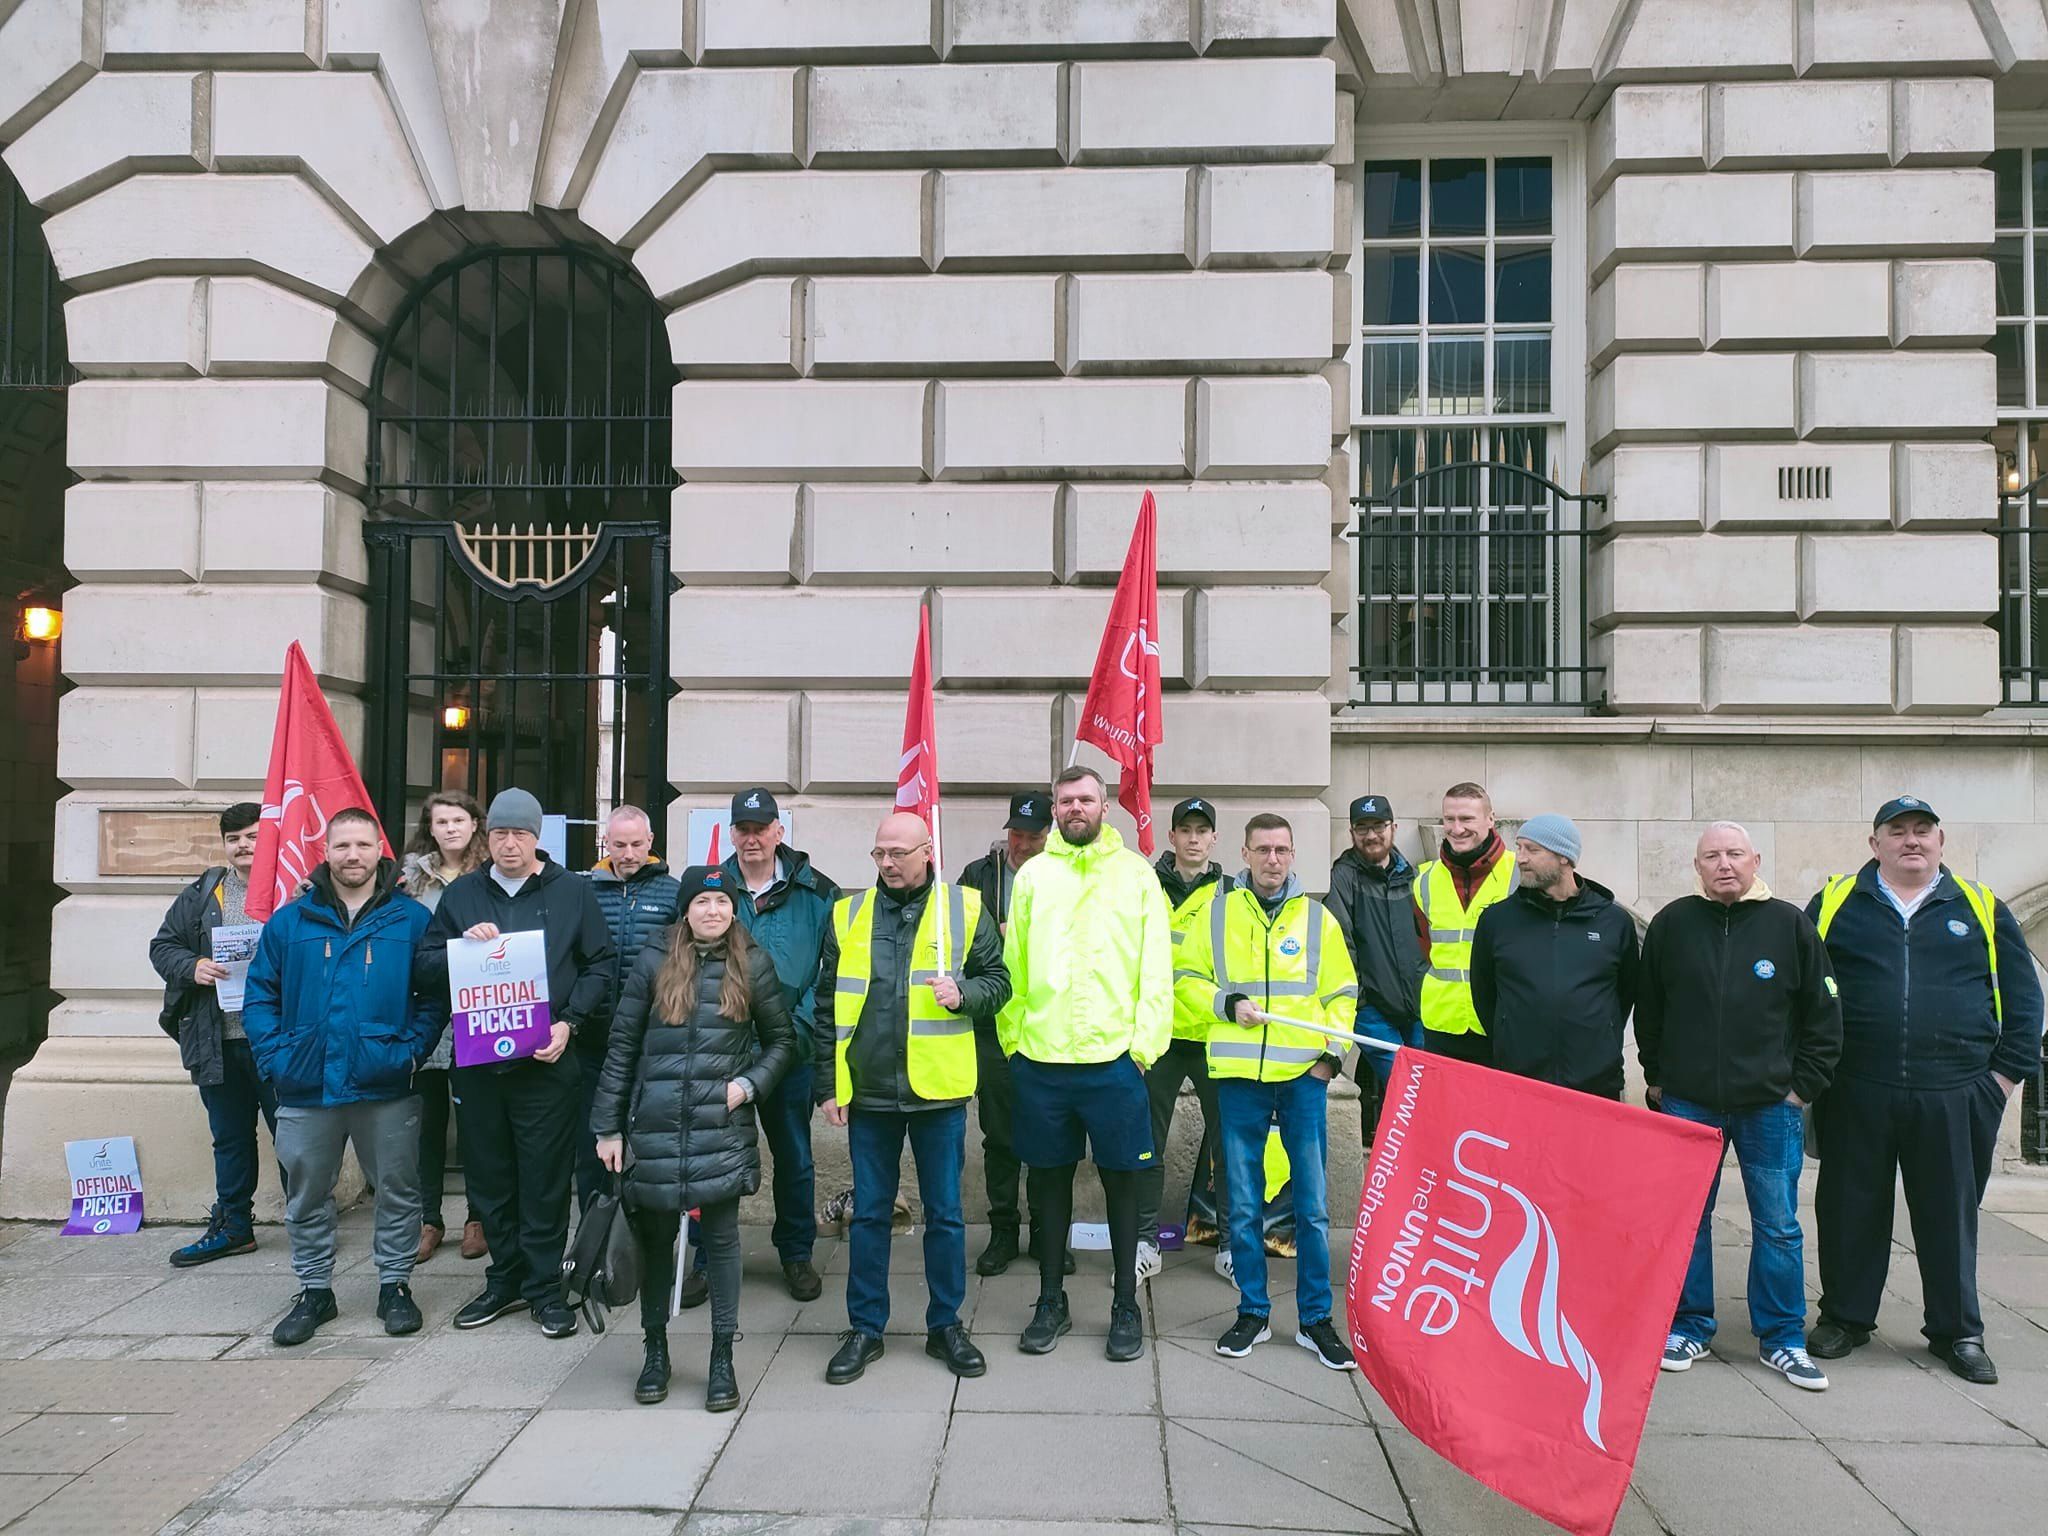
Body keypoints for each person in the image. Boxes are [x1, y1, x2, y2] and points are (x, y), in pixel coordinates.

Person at [1804, 796, 2045, 1386]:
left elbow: (2023, 999)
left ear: (1941, 841)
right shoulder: (1834, 905)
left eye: (1923, 831)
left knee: (1949, 1215)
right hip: (1857, 1088)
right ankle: (1845, 1317)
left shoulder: (1981, 907)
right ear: (1875, 844)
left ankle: (1957, 1331)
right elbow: (1802, 990)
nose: (1911, 840)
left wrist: (2001, 1080)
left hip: (1956, 1091)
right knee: (1849, 1209)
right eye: (1898, 831)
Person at [1638, 821, 1841, 1391]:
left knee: (1777, 1224)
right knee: (1685, 1219)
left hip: (1770, 1105)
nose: (1723, 864)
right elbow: (1648, 1008)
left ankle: (1782, 1339)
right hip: (1688, 1101)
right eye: (1711, 856)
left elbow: (1824, 1016)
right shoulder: (1673, 924)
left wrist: (1802, 1087)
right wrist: (1657, 1077)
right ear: (1697, 867)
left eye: (1734, 854)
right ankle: (1688, 1325)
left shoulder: (1790, 926)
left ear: (1755, 860)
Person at [592, 865, 798, 1411]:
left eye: (722, 901)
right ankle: (655, 1351)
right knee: (658, 1245)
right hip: (654, 1127)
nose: (713, 910)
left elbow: (782, 1041)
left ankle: (721, 1358)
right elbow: (621, 1047)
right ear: (686, 909)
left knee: (724, 1244)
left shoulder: (752, 964)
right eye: (702, 901)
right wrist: (607, 1126)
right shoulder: (655, 960)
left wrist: (748, 1085)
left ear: (734, 910)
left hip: (718, 1126)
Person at [815, 811, 1011, 1385]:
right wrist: (827, 1084)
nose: (887, 863)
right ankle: (865, 1329)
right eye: (879, 854)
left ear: (928, 852)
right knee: (870, 1215)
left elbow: (999, 983)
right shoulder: (846, 914)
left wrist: (965, 993)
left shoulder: (965, 909)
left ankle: (945, 1325)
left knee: (946, 1216)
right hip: (869, 1092)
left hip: (939, 1091)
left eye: (898, 853)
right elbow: (825, 1004)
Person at [414, 787, 613, 1339]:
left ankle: (546, 1287)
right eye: (499, 833)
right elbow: (425, 967)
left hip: (547, 1063)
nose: (509, 844)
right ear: (488, 836)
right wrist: (462, 949)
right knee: (490, 1175)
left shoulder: (572, 891)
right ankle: (504, 1279)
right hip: (479, 1064)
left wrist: (570, 1022)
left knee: (546, 1178)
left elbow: (599, 965)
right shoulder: (463, 896)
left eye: (519, 834)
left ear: (536, 837)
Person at [241, 808, 441, 1346]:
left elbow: (433, 997)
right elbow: (258, 996)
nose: (352, 856)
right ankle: (314, 1290)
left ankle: (395, 1285)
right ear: (325, 852)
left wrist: (411, 1052)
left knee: (398, 1190)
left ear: (381, 849)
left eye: (362, 845)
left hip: (385, 1081)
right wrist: (276, 1057)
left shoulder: (411, 919)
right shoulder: (291, 921)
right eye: (342, 846)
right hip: (306, 1084)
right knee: (306, 1193)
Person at [1175, 813, 1360, 1372]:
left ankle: (1315, 1320)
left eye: (1282, 849)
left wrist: (1330, 1059)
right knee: (1244, 1203)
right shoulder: (1217, 911)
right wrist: (1226, 1004)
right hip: (1238, 1079)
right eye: (1263, 850)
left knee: (1312, 1205)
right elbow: (1184, 978)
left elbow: (1343, 992)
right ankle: (1252, 1311)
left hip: (1303, 1079)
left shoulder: (1317, 919)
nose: (1273, 859)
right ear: (1245, 853)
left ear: (1293, 853)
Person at [1001, 766, 1172, 1364]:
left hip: (1114, 1063)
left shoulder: (1136, 876)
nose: (1076, 807)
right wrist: (1012, 1040)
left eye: (1087, 798)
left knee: (1123, 1184)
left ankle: (1125, 1302)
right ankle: (1051, 1299)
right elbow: (1013, 962)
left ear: (1106, 805)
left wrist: (1144, 1049)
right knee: (1047, 1186)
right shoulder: (1034, 877)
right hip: (1041, 1060)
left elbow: (1156, 967)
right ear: (1055, 808)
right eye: (1066, 800)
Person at [704, 787, 839, 1304]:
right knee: (713, 1156)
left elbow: (828, 978)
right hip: (723, 1049)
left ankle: (795, 1252)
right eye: (744, 828)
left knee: (795, 1157)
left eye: (762, 828)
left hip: (790, 1053)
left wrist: (795, 1032)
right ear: (733, 832)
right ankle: (704, 1257)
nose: (752, 837)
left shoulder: (818, 892)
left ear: (780, 832)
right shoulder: (711, 889)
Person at [149, 802, 281, 1268]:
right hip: (218, 1039)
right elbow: (163, 946)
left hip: (277, 1042)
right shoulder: (207, 893)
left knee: (293, 1135)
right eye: (234, 839)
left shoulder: (293, 891)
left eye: (252, 836)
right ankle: (234, 1227)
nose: (244, 846)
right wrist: (193, 966)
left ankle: (310, 1224)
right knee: (229, 1137)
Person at [957, 790, 1059, 1278]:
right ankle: (1003, 1230)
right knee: (999, 1135)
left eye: (1032, 835)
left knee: (1048, 1134)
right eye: (1015, 834)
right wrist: (989, 943)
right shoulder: (980, 876)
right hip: (994, 1024)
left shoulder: (1065, 875)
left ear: (1050, 834)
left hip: (1047, 1024)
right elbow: (952, 939)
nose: (1021, 844)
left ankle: (1045, 1230)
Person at [1470, 814, 1638, 1099]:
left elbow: (1625, 995)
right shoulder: (1496, 920)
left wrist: (1600, 1037)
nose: (1520, 859)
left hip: (1596, 1085)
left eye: (1532, 850)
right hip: (1520, 1084)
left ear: (1565, 858)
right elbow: (1485, 994)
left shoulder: (1614, 922)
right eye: (1519, 848)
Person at [1139, 797, 1228, 1281]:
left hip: (1216, 1036)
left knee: (1228, 1146)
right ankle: (1144, 1241)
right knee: (1146, 1144)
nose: (1194, 838)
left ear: (1214, 838)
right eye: (1185, 830)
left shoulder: (1234, 893)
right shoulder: (1143, 886)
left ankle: (1233, 1245)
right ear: (1170, 836)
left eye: (1202, 830)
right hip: (1157, 1036)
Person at [400, 790, 488, 1264]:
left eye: (459, 819)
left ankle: (479, 1217)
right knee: (426, 1124)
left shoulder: (492, 874)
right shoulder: (410, 880)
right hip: (427, 1008)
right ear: (429, 827)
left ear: (475, 824)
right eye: (441, 821)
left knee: (477, 1123)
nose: (451, 828)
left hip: (479, 1008)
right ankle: (428, 1218)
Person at [584, 805, 681, 1211]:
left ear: (651, 843)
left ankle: (641, 1230)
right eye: (619, 844)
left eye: (636, 844)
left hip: (650, 1037)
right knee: (592, 1143)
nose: (627, 854)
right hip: (592, 1035)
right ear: (606, 842)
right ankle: (594, 1234)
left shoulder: (674, 893)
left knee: (646, 1141)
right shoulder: (584, 891)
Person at [1325, 793, 1425, 1142]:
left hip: (1418, 1008)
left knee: (1423, 1090)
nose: (1371, 836)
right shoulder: (1343, 877)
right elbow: (1341, 945)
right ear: (1352, 833)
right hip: (1370, 1011)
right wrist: (1361, 1000)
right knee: (1408, 1087)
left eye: (1378, 827)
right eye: (1362, 828)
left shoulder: (1411, 875)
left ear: (1393, 828)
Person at [1412, 783, 1514, 1065]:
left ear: (1491, 819)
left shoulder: (1519, 874)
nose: (1456, 829)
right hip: (1442, 1026)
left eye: (1467, 819)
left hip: (1501, 1024)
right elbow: (1422, 950)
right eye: (1449, 819)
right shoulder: (1425, 880)